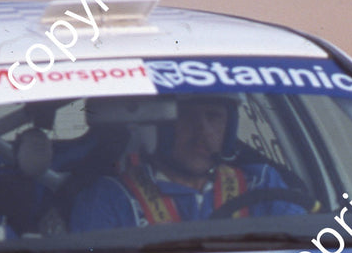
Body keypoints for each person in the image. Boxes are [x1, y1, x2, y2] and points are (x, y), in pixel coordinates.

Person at [69, 96, 307, 232]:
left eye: (213, 117)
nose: (203, 131)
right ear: (157, 127)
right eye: (185, 116)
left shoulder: (260, 183)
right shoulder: (110, 197)